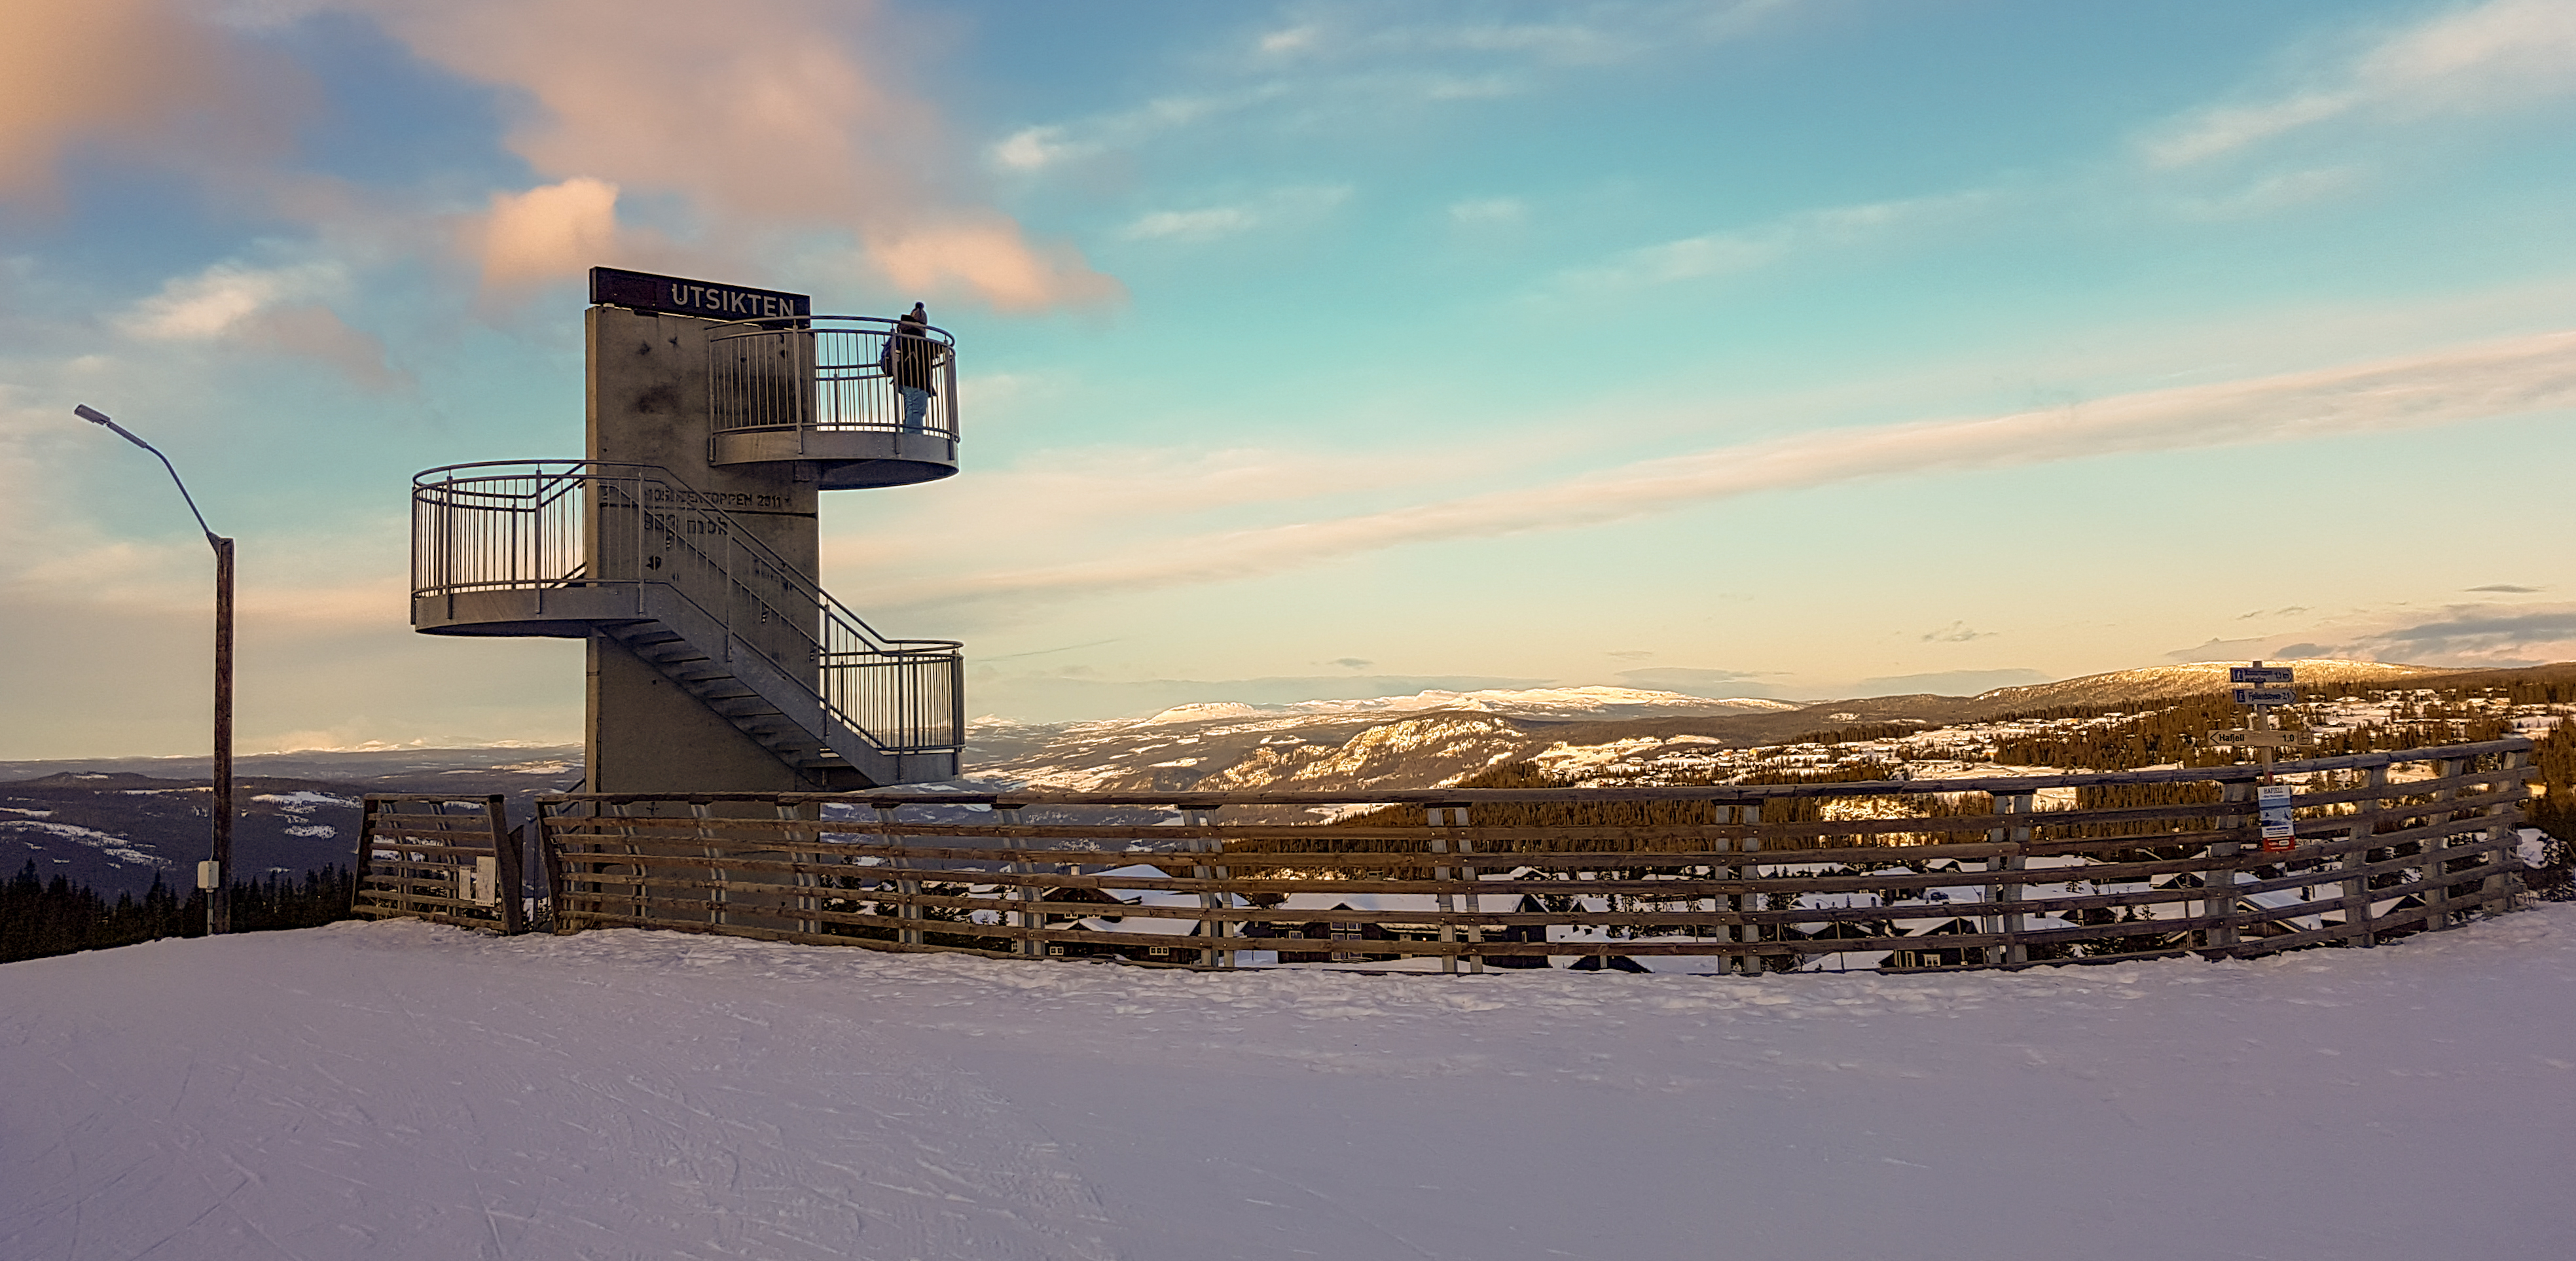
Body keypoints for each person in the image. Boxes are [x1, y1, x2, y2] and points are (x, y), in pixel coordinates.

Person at [888, 302, 939, 434]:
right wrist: (939, 348)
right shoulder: (914, 336)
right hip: (915, 380)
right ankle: (912, 438)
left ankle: (910, 435)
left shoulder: (903, 335)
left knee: (913, 408)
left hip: (908, 379)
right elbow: (926, 352)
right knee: (915, 409)